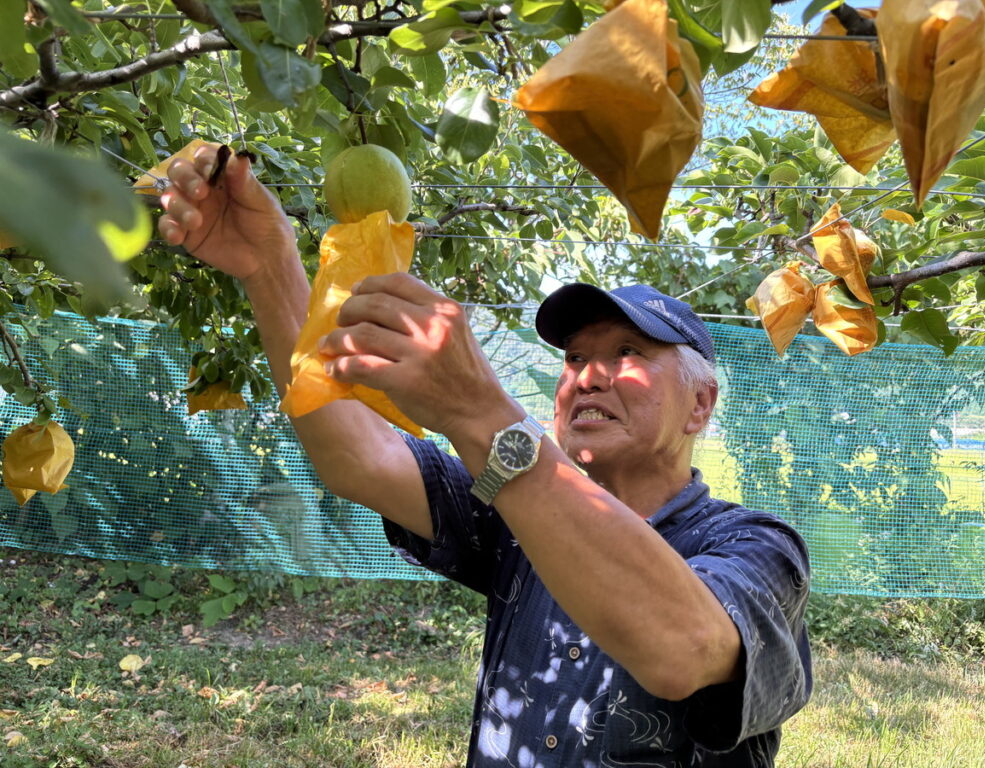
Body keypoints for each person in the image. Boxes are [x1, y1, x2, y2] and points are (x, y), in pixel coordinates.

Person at [158, 146, 812, 767]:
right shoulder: (515, 514)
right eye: (576, 358)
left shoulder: (755, 549)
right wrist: (269, 266)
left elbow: (683, 648)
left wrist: (478, 410)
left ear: (700, 405)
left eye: (626, 355)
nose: (587, 377)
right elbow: (356, 453)